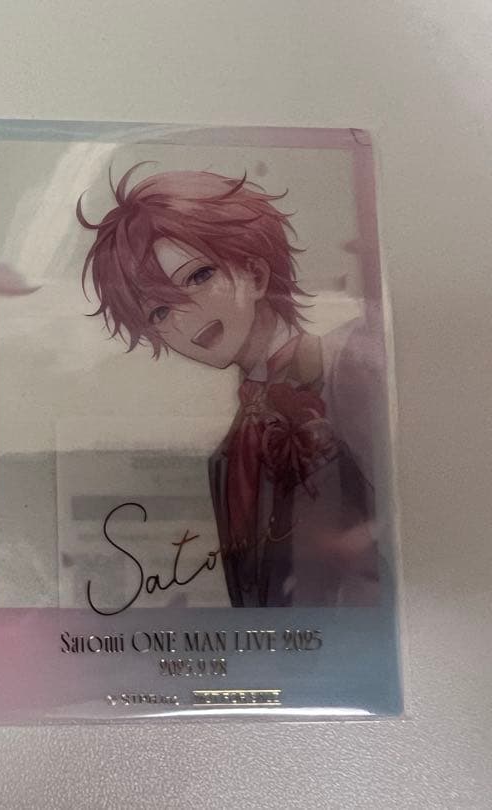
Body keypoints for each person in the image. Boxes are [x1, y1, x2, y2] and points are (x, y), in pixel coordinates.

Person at [78, 168, 384, 607]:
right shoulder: (226, 458)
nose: (186, 316)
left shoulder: (350, 367)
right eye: (160, 312)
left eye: (199, 276)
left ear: (255, 273)